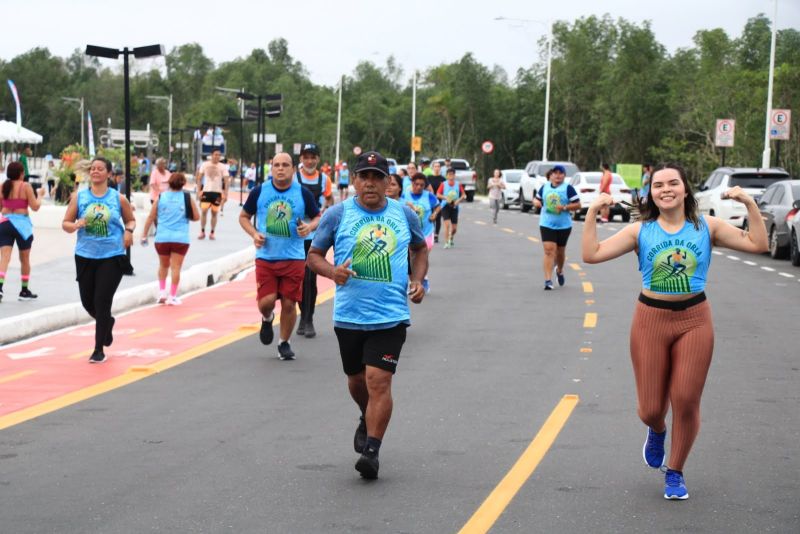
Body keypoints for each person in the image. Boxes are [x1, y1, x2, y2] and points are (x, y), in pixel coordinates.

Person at [582, 163, 768, 501]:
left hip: (695, 319)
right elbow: (591, 255)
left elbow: (758, 244)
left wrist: (749, 205)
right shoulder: (641, 231)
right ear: (650, 192)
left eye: (673, 183)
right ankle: (657, 430)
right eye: (658, 185)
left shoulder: (706, 226)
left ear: (685, 189)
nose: (665, 189)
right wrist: (593, 212)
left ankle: (676, 471)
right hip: (650, 319)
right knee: (651, 408)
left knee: (685, 399)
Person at [307, 150, 429, 479]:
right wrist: (333, 273)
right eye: (365, 177)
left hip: (391, 316)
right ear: (355, 181)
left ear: (389, 182)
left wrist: (418, 281)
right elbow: (314, 256)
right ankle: (366, 415)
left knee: (379, 381)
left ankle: (372, 450)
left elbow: (419, 248)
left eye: (378, 177)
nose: (371, 183)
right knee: (357, 381)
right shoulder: (337, 215)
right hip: (349, 317)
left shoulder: (405, 214)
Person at [239, 152, 321, 360]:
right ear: (271, 168)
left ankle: (284, 343)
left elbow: (318, 216)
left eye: (285, 165)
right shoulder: (260, 191)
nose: (281, 168)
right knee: (265, 302)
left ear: (293, 169)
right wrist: (254, 233)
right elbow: (244, 217)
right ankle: (267, 318)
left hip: (293, 257)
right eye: (276, 165)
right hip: (266, 257)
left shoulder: (302, 193)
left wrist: (309, 227)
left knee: (289, 303)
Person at [62, 156, 136, 363]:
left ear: (109, 174)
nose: (95, 172)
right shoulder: (80, 197)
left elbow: (130, 219)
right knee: (88, 303)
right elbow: (65, 223)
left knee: (102, 301)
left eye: (100, 169)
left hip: (112, 255)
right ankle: (107, 323)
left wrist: (129, 231)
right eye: (93, 169)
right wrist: (76, 225)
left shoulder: (118, 199)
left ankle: (98, 349)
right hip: (85, 254)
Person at [140, 172, 200, 305]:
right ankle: (172, 296)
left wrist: (144, 234)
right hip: (180, 238)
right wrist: (184, 216)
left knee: (163, 265)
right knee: (176, 268)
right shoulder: (187, 197)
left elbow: (151, 217)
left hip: (162, 237)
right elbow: (197, 217)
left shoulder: (161, 197)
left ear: (169, 182)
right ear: (183, 184)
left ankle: (162, 293)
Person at [295, 143, 333, 339]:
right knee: (299, 278)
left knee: (310, 277)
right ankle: (301, 315)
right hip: (295, 235)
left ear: (318, 159)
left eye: (313, 157)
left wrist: (324, 214)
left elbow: (329, 200)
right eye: (306, 157)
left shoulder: (324, 179)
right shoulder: (294, 177)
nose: (309, 161)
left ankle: (308, 318)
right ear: (301, 158)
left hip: (316, 234)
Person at [533, 165, 580, 290]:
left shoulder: (568, 189)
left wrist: (564, 207)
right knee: (549, 250)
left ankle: (559, 270)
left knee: (560, 252)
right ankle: (548, 280)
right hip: (546, 223)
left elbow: (578, 204)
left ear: (564, 176)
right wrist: (536, 203)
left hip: (564, 225)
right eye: (555, 173)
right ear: (551, 175)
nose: (558, 175)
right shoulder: (545, 187)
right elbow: (536, 199)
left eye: (561, 173)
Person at [0, 161, 42, 302]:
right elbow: (35, 207)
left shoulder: (3, 186)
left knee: (4, 258)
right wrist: (40, 195)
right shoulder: (26, 186)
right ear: (21, 173)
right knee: (24, 259)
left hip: (5, 224)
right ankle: (24, 291)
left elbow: (1, 208)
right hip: (22, 225)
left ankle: (0, 288)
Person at [402, 173, 440, 292]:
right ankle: (415, 281)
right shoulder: (405, 196)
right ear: (412, 184)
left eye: (421, 185)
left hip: (427, 232)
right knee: (411, 258)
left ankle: (423, 278)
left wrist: (434, 214)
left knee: (423, 256)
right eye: (416, 184)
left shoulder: (429, 196)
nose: (418, 187)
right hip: (410, 233)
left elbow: (438, 206)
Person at [195, 149, 229, 240]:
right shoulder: (205, 165)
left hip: (217, 193)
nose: (217, 156)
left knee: (214, 213)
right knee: (204, 211)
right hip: (206, 191)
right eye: (215, 154)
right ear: (211, 155)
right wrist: (198, 191)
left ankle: (212, 232)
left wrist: (226, 193)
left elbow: (226, 180)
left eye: (219, 155)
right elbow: (199, 178)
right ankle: (202, 231)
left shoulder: (222, 166)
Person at [436, 168, 466, 249]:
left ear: (454, 175)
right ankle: (446, 242)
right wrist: (446, 198)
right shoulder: (443, 184)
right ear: (447, 175)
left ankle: (451, 238)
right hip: (445, 206)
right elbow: (438, 194)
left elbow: (464, 195)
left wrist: (458, 200)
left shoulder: (458, 184)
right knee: (447, 225)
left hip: (455, 206)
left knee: (454, 229)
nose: (451, 176)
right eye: (449, 174)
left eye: (452, 174)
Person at [428, 162, 446, 241]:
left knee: (438, 217)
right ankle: (430, 233)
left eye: (438, 166)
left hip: (439, 200)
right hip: (430, 200)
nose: (437, 168)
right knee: (431, 217)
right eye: (435, 166)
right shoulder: (429, 178)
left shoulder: (443, 179)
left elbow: (445, 190)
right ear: (433, 168)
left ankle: (436, 234)